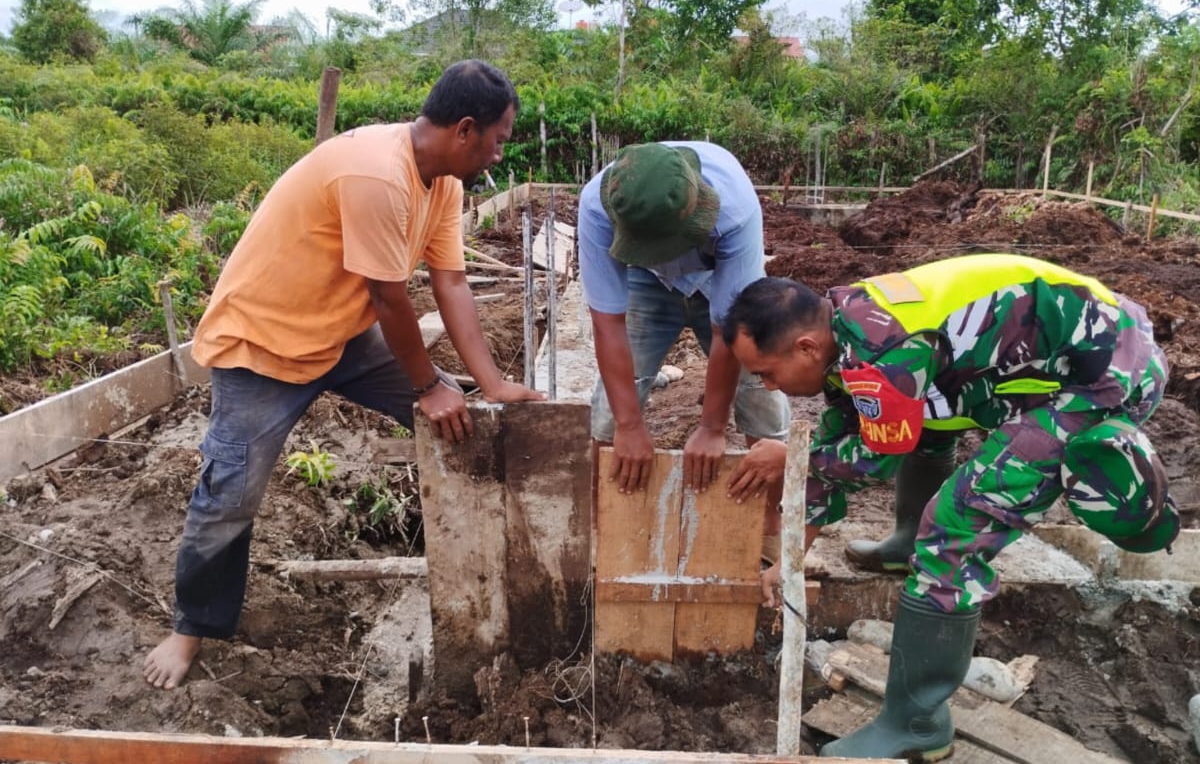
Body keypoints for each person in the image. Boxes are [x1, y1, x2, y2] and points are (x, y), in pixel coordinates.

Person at [143, 60, 542, 691]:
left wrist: (490, 384)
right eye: (499, 139)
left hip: (342, 335)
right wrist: (427, 385)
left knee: (465, 413)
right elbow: (391, 299)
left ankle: (495, 568)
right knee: (230, 495)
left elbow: (452, 282)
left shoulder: (444, 184)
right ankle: (189, 629)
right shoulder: (377, 174)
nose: (499, 154)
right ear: (466, 129)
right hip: (263, 347)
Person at [722, 254, 1180, 761]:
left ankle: (917, 722)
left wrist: (791, 457)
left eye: (766, 372)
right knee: (923, 422)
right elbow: (847, 439)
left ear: (806, 347)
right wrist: (790, 561)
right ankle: (904, 544)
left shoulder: (885, 349)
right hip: (1048, 361)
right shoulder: (844, 332)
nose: (766, 385)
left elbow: (877, 457)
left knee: (956, 525)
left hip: (1103, 378)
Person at [579, 141, 790, 558]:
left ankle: (769, 522)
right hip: (645, 282)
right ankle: (602, 522)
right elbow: (608, 325)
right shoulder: (599, 207)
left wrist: (712, 428)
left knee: (759, 386)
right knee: (610, 407)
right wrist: (629, 425)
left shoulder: (733, 211)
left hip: (719, 273)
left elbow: (730, 335)